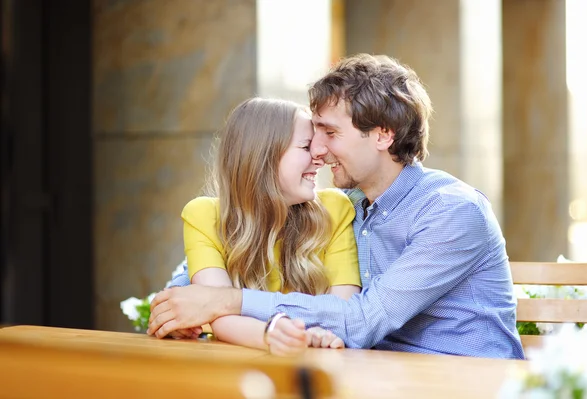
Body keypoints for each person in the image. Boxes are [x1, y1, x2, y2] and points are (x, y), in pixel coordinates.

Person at [148, 54, 525, 359]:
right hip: (375, 372)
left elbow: (361, 321)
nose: (319, 149)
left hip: (464, 378)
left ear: (382, 135)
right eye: (314, 135)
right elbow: (210, 261)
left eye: (330, 133)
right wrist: (180, 307)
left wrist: (224, 301)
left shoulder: (452, 212)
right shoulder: (349, 207)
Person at [162, 97, 361, 356]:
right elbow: (216, 309)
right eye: (305, 147)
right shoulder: (203, 215)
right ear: (265, 157)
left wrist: (298, 335)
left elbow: (342, 309)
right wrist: (273, 334)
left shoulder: (335, 208)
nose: (319, 158)